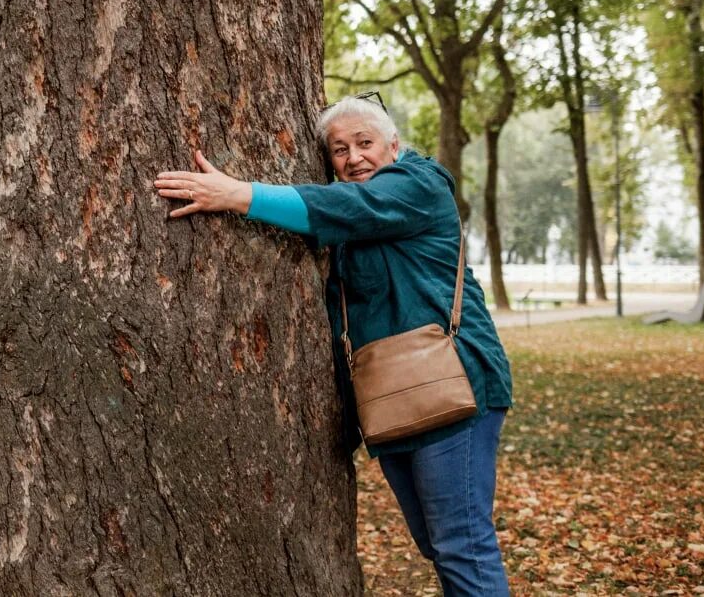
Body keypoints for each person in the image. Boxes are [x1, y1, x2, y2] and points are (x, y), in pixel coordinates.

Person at [155, 96, 513, 596]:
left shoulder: (419, 185)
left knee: (462, 544)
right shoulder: (349, 221)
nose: (353, 158)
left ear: (393, 144)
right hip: (391, 395)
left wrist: (236, 194)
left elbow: (345, 206)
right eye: (339, 149)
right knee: (439, 543)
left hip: (456, 386)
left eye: (365, 143)